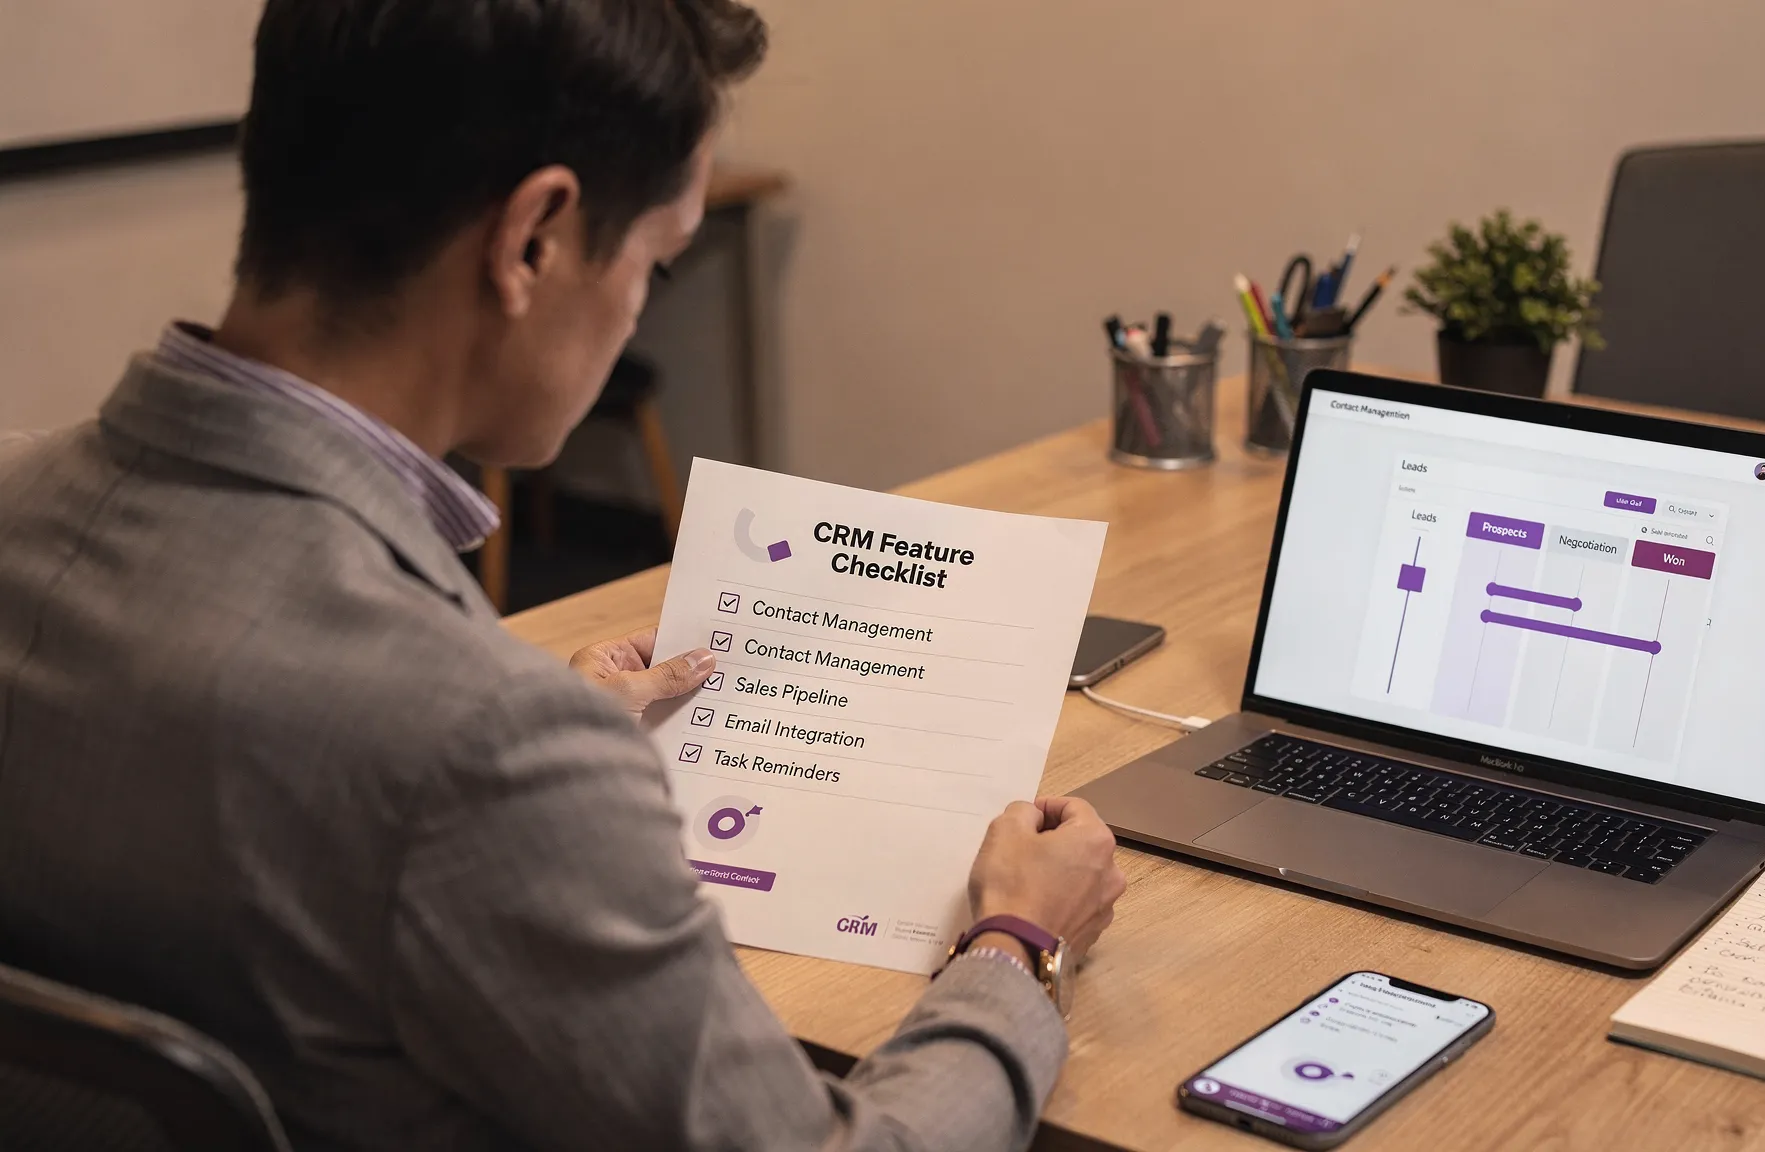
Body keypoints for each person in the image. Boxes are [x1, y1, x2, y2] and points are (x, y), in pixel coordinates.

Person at [0, 1, 1125, 1149]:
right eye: (657, 265)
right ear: (533, 240)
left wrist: (525, 760)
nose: (639, 307)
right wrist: (1018, 946)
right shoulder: (478, 748)